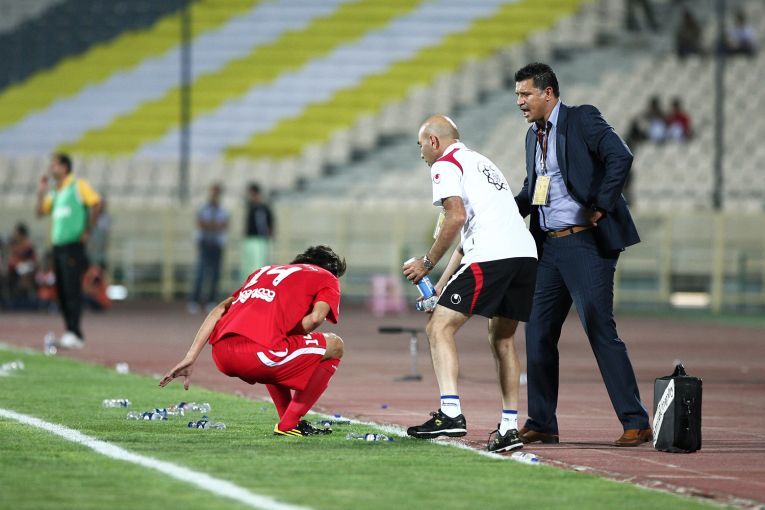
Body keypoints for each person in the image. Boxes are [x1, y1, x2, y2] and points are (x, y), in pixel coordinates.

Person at [513, 62, 651, 447]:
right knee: (537, 331)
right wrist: (499, 211)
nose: (520, 101)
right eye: (517, 95)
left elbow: (621, 156)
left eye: (525, 94)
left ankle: (636, 421)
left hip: (586, 243)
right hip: (549, 248)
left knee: (599, 328)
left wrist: (601, 204)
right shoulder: (532, 137)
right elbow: (532, 190)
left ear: (548, 93)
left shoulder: (582, 119)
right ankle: (542, 421)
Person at [402, 115, 538, 453]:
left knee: (439, 327)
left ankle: (450, 413)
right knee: (502, 338)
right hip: (525, 256)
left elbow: (456, 217)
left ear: (434, 141)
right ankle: (509, 428)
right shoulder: (481, 162)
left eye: (421, 144)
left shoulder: (445, 165)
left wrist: (426, 263)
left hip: (491, 255)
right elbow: (466, 240)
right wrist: (439, 286)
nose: (421, 152)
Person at [161, 245, 346, 437]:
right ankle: (289, 424)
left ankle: (288, 420)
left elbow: (220, 309)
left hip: (222, 354)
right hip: (258, 356)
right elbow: (316, 318)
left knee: (278, 342)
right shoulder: (327, 277)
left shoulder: (263, 272)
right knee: (335, 345)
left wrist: (190, 357)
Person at [36, 153, 102, 349]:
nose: (51, 168)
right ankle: (69, 331)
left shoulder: (78, 186)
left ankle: (75, 333)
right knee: (62, 290)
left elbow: (97, 203)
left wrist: (88, 230)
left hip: (73, 246)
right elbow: (39, 213)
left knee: (72, 289)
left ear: (65, 167)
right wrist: (41, 193)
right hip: (58, 248)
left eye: (55, 165)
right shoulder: (55, 192)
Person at [188, 183, 229, 314]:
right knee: (201, 273)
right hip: (205, 244)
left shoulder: (223, 210)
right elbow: (201, 223)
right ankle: (195, 300)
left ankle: (211, 300)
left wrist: (210, 225)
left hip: (216, 245)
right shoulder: (203, 209)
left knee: (215, 274)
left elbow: (223, 225)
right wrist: (214, 226)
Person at [241, 182, 274, 278]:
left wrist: (266, 237)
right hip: (249, 239)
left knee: (258, 265)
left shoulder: (262, 208)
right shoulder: (250, 207)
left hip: (259, 240)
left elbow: (268, 225)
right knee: (248, 265)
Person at [7, 223, 38, 309]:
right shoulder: (14, 244)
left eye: (17, 233)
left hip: (27, 267)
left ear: (21, 234)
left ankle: (29, 299)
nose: (15, 235)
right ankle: (11, 299)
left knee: (24, 274)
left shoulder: (27, 245)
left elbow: (33, 260)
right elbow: (11, 258)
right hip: (15, 268)